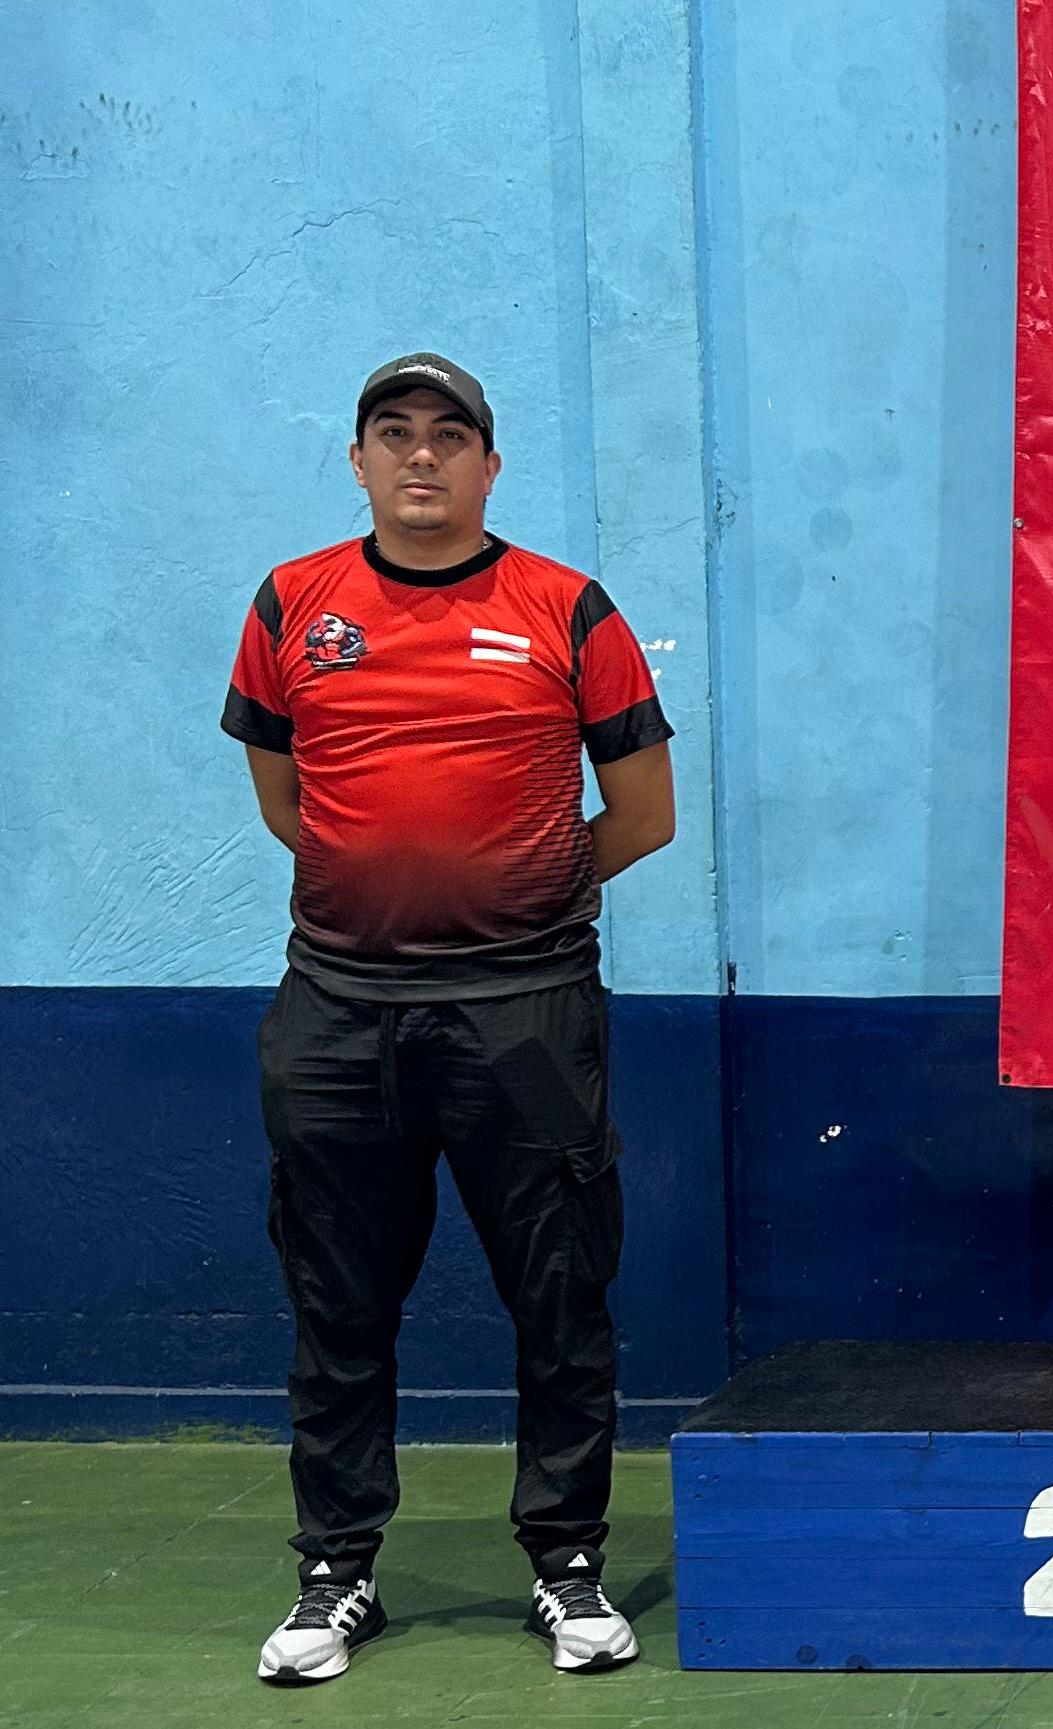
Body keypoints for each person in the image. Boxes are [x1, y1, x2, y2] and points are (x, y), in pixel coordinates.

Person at [224, 355, 676, 1681]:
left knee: (559, 1290)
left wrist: (520, 894)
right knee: (338, 1296)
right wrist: (394, 898)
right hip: (338, 1013)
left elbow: (643, 815)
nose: (421, 457)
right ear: (358, 462)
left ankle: (569, 1563)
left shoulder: (566, 609)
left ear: (490, 465)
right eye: (393, 434)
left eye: (449, 436)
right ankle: (334, 1572)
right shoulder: (293, 604)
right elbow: (286, 798)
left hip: (527, 1015)